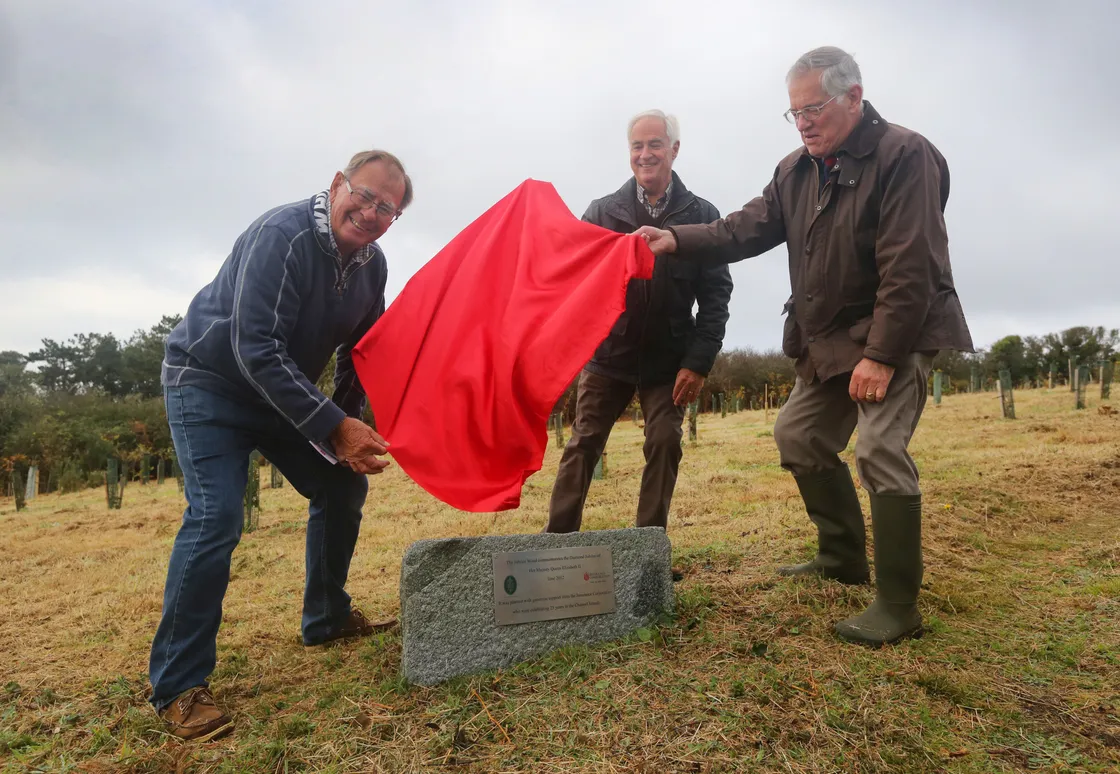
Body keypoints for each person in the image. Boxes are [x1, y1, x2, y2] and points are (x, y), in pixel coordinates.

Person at [638, 48, 973, 646]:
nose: (804, 123)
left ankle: (898, 604)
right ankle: (842, 557)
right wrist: (675, 238)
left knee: (878, 448)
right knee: (798, 434)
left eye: (813, 108)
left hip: (897, 331)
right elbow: (741, 228)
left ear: (854, 96)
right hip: (827, 340)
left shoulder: (904, 155)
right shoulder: (795, 169)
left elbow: (910, 265)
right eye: (794, 113)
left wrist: (882, 353)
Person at [150, 150, 412, 741]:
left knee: (343, 482)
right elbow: (254, 348)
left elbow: (363, 353)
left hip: (276, 396)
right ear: (336, 184)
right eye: (363, 195)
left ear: (395, 220)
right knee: (216, 515)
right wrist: (334, 426)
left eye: (386, 208)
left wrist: (348, 424)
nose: (370, 213)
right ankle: (178, 685)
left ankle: (326, 617)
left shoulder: (372, 266)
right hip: (209, 383)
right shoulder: (283, 234)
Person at [546, 110, 733, 533]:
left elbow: (717, 297)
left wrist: (699, 362)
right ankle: (555, 547)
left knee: (665, 442)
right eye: (637, 146)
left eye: (654, 145)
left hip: (670, 363)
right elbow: (570, 280)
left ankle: (649, 548)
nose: (645, 154)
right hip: (608, 356)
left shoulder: (702, 215)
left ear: (674, 150)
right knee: (582, 444)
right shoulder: (601, 212)